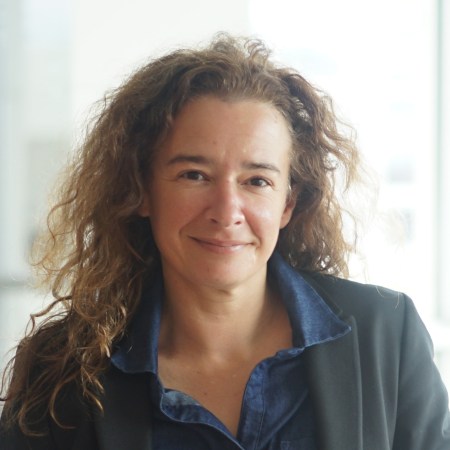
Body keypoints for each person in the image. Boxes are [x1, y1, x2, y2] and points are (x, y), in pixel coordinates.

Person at [0, 34, 449, 450]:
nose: (226, 210)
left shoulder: (387, 334)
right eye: (194, 175)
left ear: (288, 204)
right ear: (141, 190)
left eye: (257, 181)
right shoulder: (61, 368)